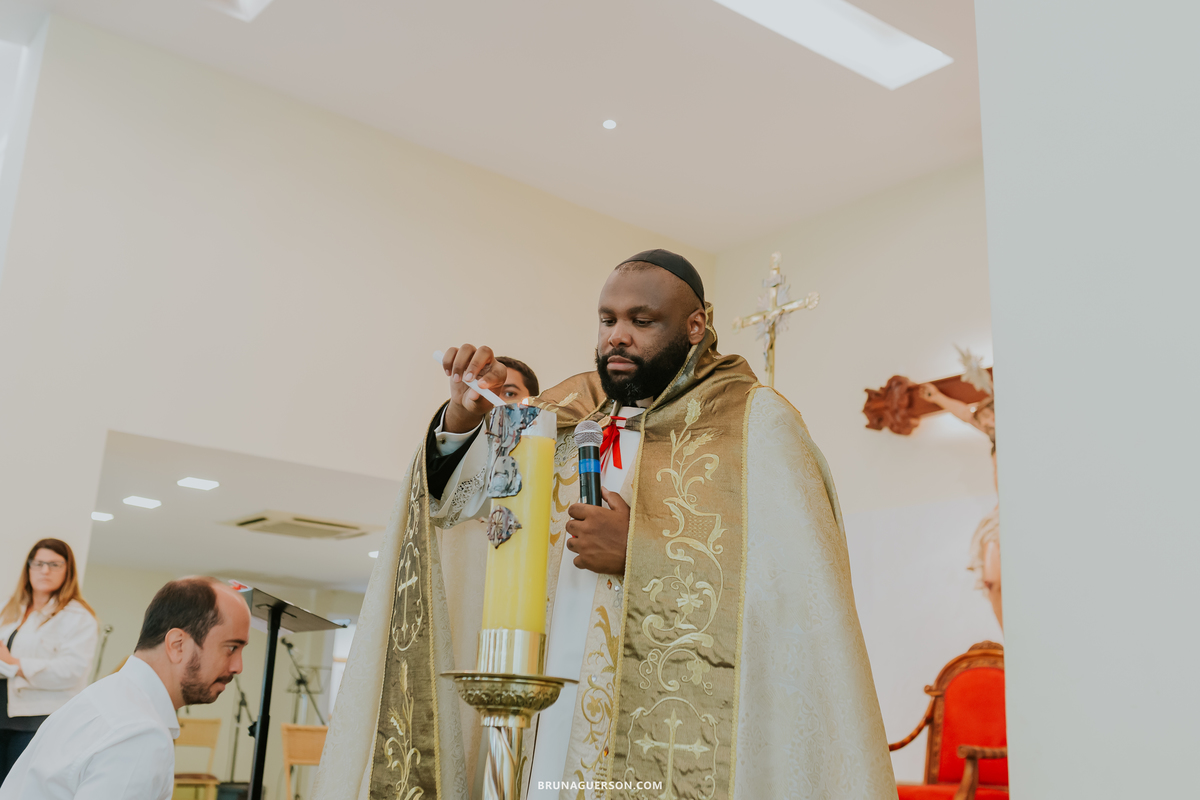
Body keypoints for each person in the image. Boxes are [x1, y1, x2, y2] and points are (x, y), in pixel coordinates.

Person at [315, 249, 896, 800]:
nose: (617, 335)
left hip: (676, 723)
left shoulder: (755, 423)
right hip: (548, 701)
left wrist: (641, 554)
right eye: (607, 319)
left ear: (695, 327)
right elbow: (462, 511)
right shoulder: (569, 408)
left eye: (641, 320)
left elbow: (805, 604)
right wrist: (463, 421)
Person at [0, 577, 250, 799]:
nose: (238, 666)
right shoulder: (139, 732)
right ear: (177, 645)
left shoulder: (103, 698)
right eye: (231, 648)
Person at [0, 539, 98, 782]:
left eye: (54, 564)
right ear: (29, 568)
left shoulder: (78, 617)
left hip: (35, 722)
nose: (45, 570)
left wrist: (14, 663)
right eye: (39, 563)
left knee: (18, 789)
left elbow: (71, 671)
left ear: (68, 571)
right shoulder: (9, 609)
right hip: (2, 715)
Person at [920, 351, 1002, 629]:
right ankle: (1010, 641)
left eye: (990, 416)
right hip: (1000, 517)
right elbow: (966, 414)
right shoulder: (993, 436)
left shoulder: (1018, 437)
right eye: (985, 418)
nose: (986, 422)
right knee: (991, 581)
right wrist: (938, 398)